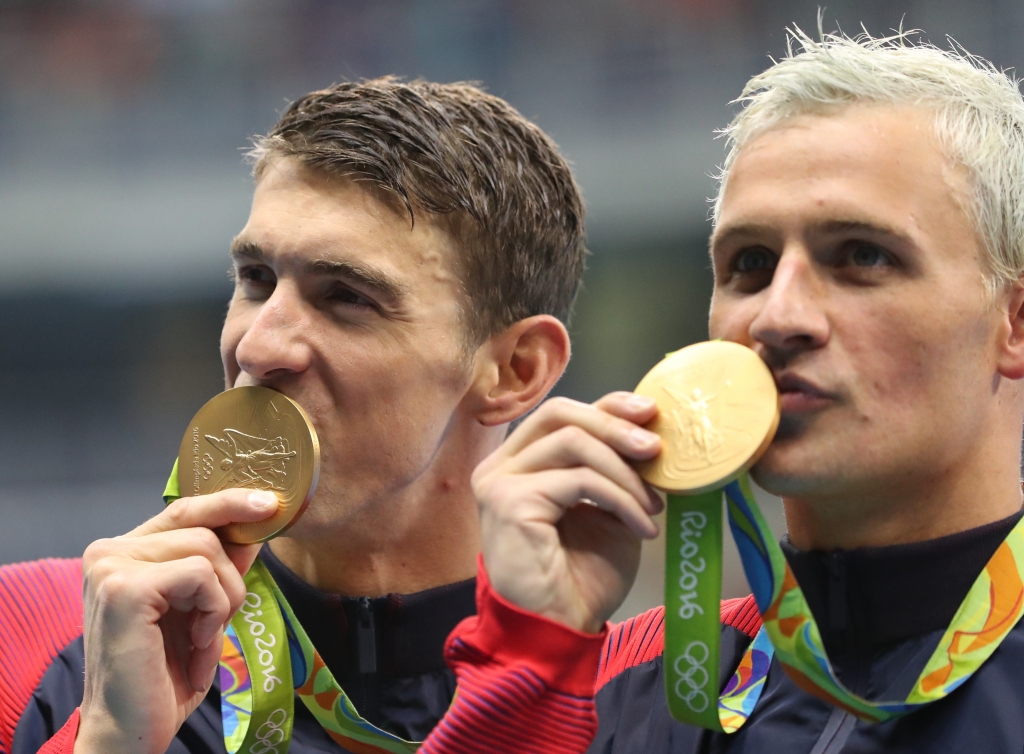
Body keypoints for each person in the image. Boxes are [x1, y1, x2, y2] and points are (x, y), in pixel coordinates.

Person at [463, 28, 1024, 753]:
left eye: (862, 256)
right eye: (751, 264)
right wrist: (532, 663)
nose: (778, 317)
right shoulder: (614, 680)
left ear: (1013, 325)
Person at [0, 77, 596, 754]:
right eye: (256, 280)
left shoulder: (643, 702)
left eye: (345, 296)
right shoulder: (25, 641)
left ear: (515, 369)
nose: (257, 346)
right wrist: (109, 741)